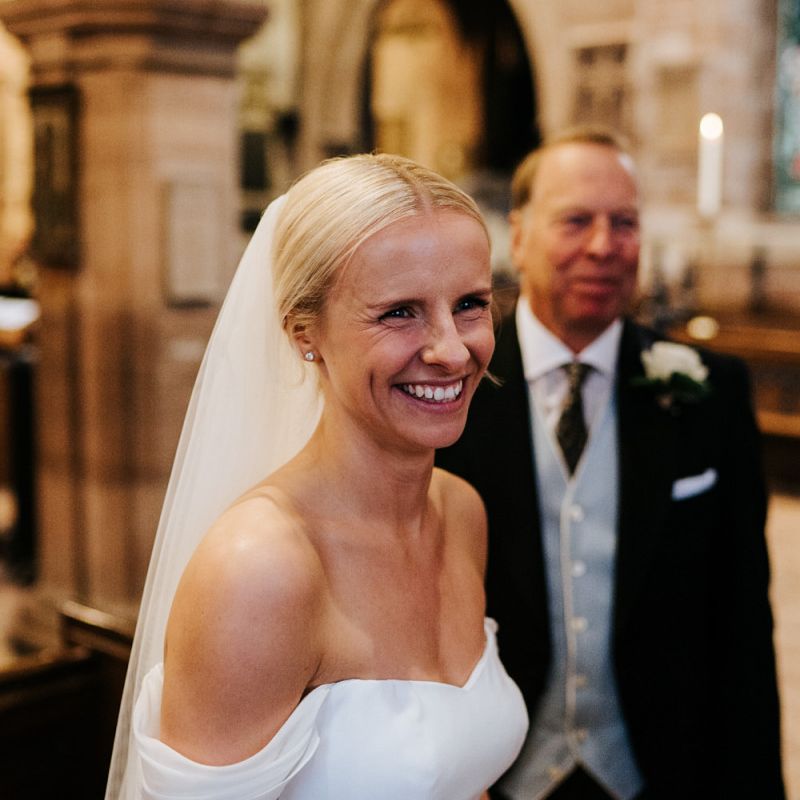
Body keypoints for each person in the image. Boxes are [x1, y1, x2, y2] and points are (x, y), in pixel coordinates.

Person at [105, 153, 528, 800]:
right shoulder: (261, 569)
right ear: (306, 333)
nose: (451, 349)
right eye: (399, 313)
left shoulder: (460, 510)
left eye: (470, 304)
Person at [436, 126, 785, 799]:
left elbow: (742, 625)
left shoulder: (709, 392)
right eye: (576, 221)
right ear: (520, 235)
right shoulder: (452, 390)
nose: (603, 246)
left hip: (658, 767)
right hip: (499, 775)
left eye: (623, 223)